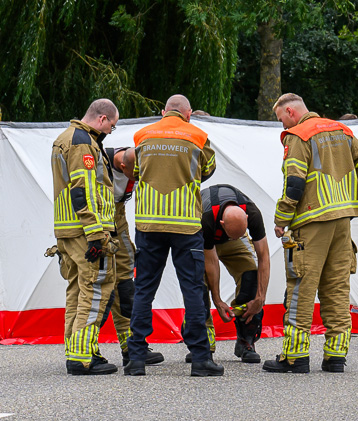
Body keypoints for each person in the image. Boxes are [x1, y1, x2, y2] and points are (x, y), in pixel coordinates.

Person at [267, 92, 358, 373]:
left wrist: (282, 219)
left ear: (291, 112)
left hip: (311, 222)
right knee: (337, 288)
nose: (283, 127)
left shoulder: (298, 136)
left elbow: (294, 182)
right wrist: (355, 192)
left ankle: (295, 357)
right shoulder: (340, 129)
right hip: (343, 221)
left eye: (282, 120)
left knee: (300, 288)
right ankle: (335, 357)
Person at [125, 95, 222, 377]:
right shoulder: (199, 136)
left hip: (149, 224)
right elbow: (207, 171)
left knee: (144, 289)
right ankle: (201, 358)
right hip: (186, 225)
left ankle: (136, 359)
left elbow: (133, 170)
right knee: (192, 289)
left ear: (163, 111)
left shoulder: (142, 135)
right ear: (188, 114)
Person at [51, 98, 121, 375]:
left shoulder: (64, 137)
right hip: (86, 231)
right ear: (102, 119)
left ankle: (78, 349)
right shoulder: (83, 143)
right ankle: (82, 358)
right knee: (95, 291)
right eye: (112, 127)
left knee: (77, 291)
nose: (110, 132)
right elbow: (84, 190)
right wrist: (95, 234)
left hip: (67, 230)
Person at [101, 147, 162, 367]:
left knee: (126, 284)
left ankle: (132, 347)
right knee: (99, 285)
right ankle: (85, 350)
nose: (137, 179)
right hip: (96, 222)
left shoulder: (137, 163)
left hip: (118, 218)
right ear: (124, 166)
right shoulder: (99, 160)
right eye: (134, 174)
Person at [201, 184, 270, 362]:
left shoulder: (253, 213)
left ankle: (246, 340)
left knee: (251, 277)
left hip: (227, 236)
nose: (234, 238)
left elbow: (263, 256)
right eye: (233, 235)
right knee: (198, 285)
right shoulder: (206, 216)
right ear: (223, 224)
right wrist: (217, 300)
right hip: (203, 239)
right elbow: (212, 262)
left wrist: (260, 298)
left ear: (246, 219)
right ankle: (201, 343)